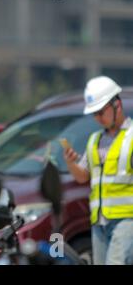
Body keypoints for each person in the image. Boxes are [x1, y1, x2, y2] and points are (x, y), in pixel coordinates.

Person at [63, 76, 133, 265]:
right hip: (99, 221)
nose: (98, 118)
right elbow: (83, 177)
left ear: (117, 104)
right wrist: (71, 163)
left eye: (101, 112)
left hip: (127, 220)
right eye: (94, 114)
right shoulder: (94, 140)